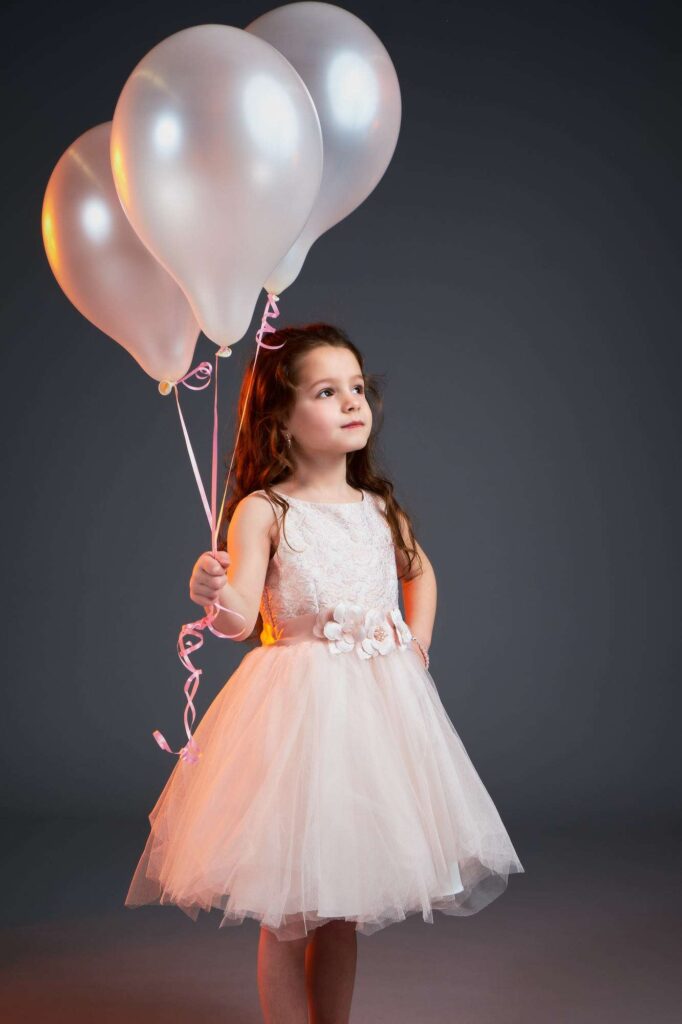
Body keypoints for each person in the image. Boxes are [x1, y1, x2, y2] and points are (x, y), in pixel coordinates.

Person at [125, 322, 525, 1024]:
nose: (351, 402)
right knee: (288, 909)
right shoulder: (265, 510)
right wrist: (212, 595)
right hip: (296, 716)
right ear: (280, 420)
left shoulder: (378, 508)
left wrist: (415, 643)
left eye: (357, 388)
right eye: (326, 391)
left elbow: (420, 573)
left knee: (344, 905)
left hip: (375, 712)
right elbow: (243, 620)